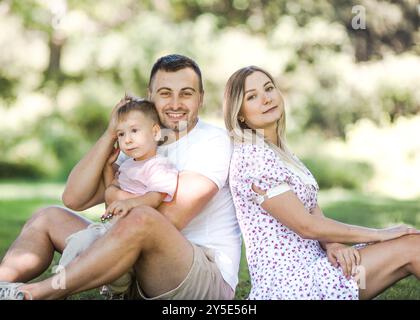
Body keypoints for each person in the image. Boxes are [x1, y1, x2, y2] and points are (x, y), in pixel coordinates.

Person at [0, 54, 241, 300]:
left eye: (187, 93)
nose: (176, 103)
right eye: (166, 93)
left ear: (200, 98)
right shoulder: (141, 141)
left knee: (142, 217)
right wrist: (110, 133)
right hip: (137, 270)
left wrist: (117, 196)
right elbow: (74, 198)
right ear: (151, 95)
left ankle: (37, 294)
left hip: (200, 279)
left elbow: (168, 218)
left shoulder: (214, 142)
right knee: (48, 217)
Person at [223, 65, 420, 300]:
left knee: (413, 243)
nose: (266, 99)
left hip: (317, 263)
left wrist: (333, 244)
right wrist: (380, 234)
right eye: (252, 96)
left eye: (269, 88)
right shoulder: (253, 157)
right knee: (413, 247)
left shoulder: (278, 152)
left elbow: (311, 207)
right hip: (292, 284)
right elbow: (306, 226)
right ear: (240, 113)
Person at [58, 96, 178, 296]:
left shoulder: (159, 165)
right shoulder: (129, 164)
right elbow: (111, 191)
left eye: (134, 131)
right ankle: (59, 284)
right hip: (108, 229)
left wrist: (130, 203)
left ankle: (116, 288)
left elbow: (155, 197)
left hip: (128, 237)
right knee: (77, 242)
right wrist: (107, 168)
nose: (127, 139)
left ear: (155, 132)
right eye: (121, 134)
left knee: (116, 271)